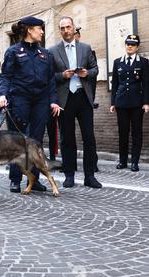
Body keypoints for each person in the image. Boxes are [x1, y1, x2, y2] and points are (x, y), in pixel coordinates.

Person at [0, 16, 61, 193]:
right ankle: (15, 179)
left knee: (36, 141)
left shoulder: (45, 54)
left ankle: (34, 180)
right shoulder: (13, 52)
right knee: (17, 141)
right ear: (29, 30)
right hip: (19, 100)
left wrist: (54, 101)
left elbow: (50, 81)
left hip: (40, 101)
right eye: (39, 28)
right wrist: (3, 95)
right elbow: (6, 76)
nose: (42, 31)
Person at [49, 16, 101, 188]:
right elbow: (49, 77)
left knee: (89, 138)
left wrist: (87, 73)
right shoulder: (53, 51)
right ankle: (69, 175)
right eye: (62, 28)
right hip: (65, 99)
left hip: (83, 97)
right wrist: (62, 75)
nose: (66, 31)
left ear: (73, 28)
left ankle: (89, 176)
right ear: (60, 31)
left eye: (68, 27)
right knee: (67, 139)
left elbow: (95, 69)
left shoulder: (85, 48)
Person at [110, 34, 149, 172]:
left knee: (137, 133)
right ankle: (123, 161)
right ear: (125, 45)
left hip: (137, 103)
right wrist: (113, 102)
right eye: (128, 44)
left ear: (137, 46)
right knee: (123, 133)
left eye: (133, 44)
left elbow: (146, 83)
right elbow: (114, 83)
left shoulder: (143, 62)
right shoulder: (117, 62)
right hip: (121, 103)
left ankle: (134, 162)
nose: (130, 46)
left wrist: (146, 102)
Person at [75, 27, 99, 172]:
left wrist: (92, 97)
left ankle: (92, 163)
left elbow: (93, 77)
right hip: (70, 95)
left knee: (89, 134)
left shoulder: (87, 51)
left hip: (86, 96)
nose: (74, 38)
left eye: (76, 36)